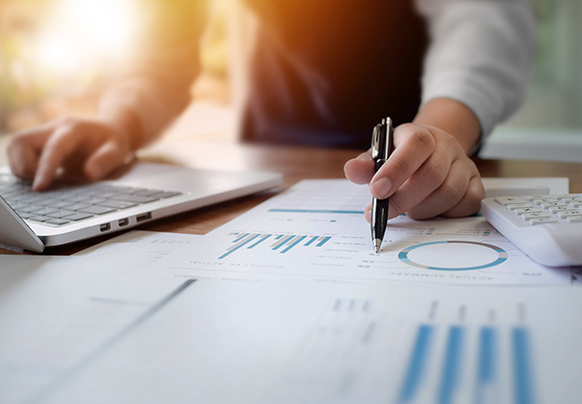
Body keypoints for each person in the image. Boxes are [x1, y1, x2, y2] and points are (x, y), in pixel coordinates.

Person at [6, 0, 536, 222]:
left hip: (427, 151)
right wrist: (119, 118)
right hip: (270, 156)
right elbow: (160, 50)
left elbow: (481, 18)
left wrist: (440, 134)